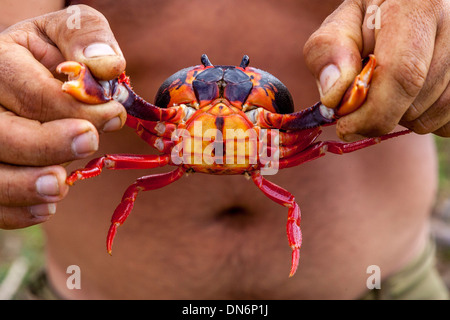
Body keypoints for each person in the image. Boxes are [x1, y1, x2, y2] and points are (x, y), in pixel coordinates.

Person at [0, 0, 448, 299]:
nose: (221, 94)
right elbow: (20, 45)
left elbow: (330, 135)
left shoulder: (284, 135)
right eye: (204, 85)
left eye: (241, 91)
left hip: (384, 285)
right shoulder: (159, 127)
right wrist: (16, 85)